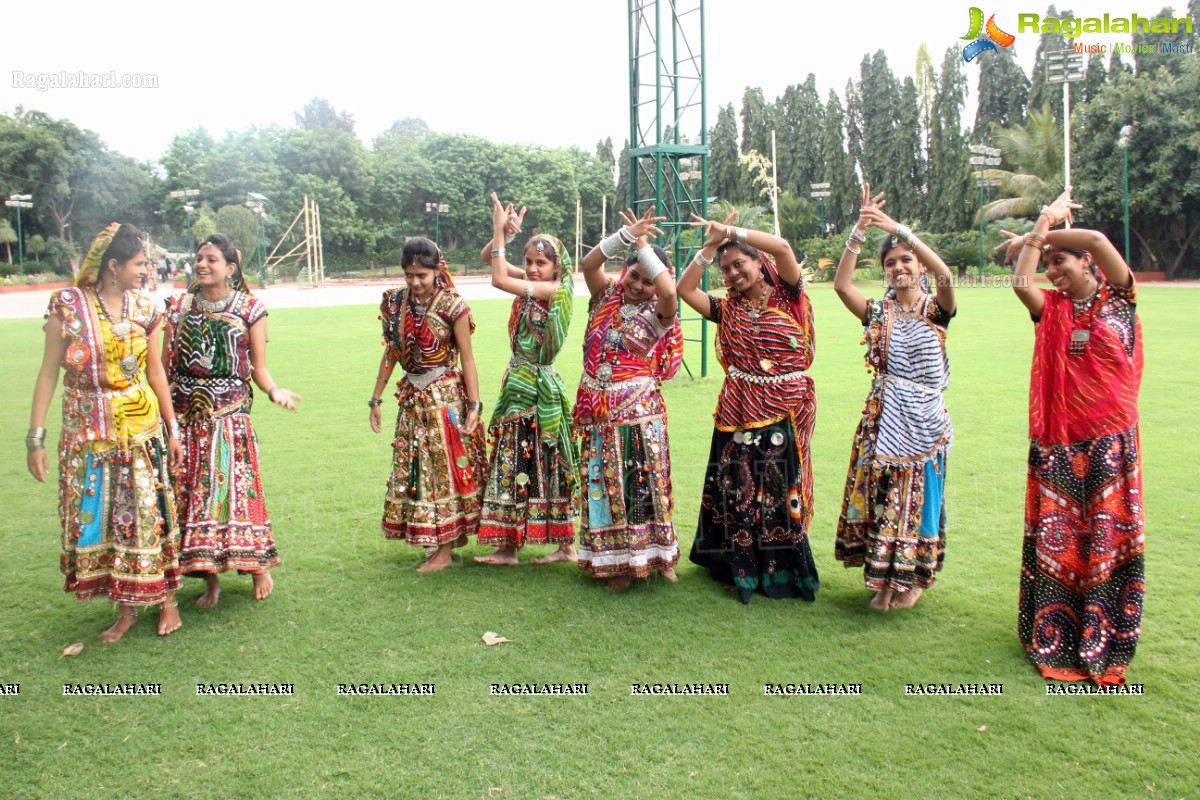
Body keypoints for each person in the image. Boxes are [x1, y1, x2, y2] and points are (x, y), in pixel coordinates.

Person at [1002, 189, 1144, 686]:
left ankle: (1105, 631)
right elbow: (1020, 278)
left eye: (1061, 262)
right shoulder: (1052, 309)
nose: (1053, 271)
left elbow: (1099, 237)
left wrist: (1041, 226)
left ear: (1087, 262)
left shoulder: (1121, 298)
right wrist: (1038, 237)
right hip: (1059, 443)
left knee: (1104, 535)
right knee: (1061, 539)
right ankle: (1056, 629)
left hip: (1110, 445)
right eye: (1050, 263)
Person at [26, 223, 184, 642]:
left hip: (140, 429)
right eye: (139, 263)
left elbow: (156, 372)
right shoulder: (68, 306)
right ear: (112, 265)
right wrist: (35, 438)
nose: (146, 269)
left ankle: (167, 599)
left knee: (148, 512)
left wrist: (173, 430)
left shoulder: (148, 308)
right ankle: (127, 608)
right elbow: (47, 374)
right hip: (88, 433)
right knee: (109, 519)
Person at [677, 212, 820, 603]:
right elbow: (684, 289)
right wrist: (710, 247)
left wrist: (731, 233)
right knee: (736, 486)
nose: (733, 274)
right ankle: (737, 566)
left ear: (759, 262)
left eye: (740, 263)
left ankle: (779, 571)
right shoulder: (729, 308)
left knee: (775, 487)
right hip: (737, 408)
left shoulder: (790, 297)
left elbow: (785, 247)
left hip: (783, 408)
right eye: (725, 270)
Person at [832, 184, 956, 611]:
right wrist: (859, 228)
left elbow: (947, 277)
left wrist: (900, 229)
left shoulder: (936, 310)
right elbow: (841, 284)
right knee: (884, 496)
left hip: (923, 421)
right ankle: (884, 579)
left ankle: (912, 580)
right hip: (882, 418)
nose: (899, 267)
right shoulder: (878, 312)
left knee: (918, 499)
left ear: (918, 264)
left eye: (906, 259)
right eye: (890, 262)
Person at [162, 233, 299, 607]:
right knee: (191, 500)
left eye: (212, 259)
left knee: (234, 496)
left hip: (229, 418)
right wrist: (164, 413)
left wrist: (275, 391)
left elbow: (259, 368)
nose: (202, 265)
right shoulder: (178, 308)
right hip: (186, 420)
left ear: (231, 268)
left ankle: (258, 567)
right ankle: (210, 582)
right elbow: (164, 368)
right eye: (199, 258)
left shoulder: (249, 309)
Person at [574, 208, 684, 590]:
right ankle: (615, 561)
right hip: (599, 413)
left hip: (636, 413)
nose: (638, 285)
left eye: (646, 280)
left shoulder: (660, 312)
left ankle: (649, 558)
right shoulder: (605, 295)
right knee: (604, 485)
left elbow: (670, 290)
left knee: (641, 486)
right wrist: (624, 235)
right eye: (633, 274)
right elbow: (589, 264)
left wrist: (643, 245)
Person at [370, 237, 488, 572]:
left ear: (438, 270)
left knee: (445, 472)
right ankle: (443, 539)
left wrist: (474, 406)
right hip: (412, 399)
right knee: (420, 472)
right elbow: (392, 351)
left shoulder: (453, 306)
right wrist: (376, 398)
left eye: (422, 275)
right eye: (409, 275)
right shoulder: (395, 304)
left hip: (444, 399)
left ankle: (446, 550)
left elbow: (467, 358)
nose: (415, 282)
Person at [473, 194, 578, 565]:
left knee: (541, 461)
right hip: (518, 384)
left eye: (541, 263)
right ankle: (511, 546)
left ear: (556, 267)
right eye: (529, 262)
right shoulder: (539, 283)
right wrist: (504, 235)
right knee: (515, 459)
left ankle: (562, 545)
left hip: (536, 390)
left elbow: (498, 278)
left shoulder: (554, 291)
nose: (533, 269)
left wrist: (496, 228)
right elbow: (491, 260)